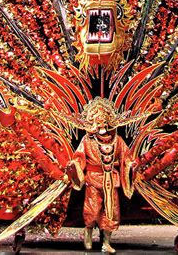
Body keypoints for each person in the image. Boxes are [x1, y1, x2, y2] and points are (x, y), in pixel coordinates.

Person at [67, 97, 134, 254]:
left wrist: (131, 165)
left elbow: (126, 158)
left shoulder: (117, 140)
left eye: (104, 121)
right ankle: (88, 231)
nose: (101, 125)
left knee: (112, 211)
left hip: (111, 179)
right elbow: (79, 156)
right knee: (93, 208)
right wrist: (74, 166)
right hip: (93, 178)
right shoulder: (87, 140)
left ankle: (106, 242)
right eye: (98, 121)